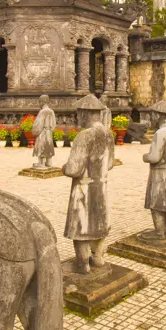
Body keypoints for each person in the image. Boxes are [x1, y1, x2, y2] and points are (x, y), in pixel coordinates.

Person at [63, 94, 115, 274]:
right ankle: (99, 258)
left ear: (84, 113)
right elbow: (109, 163)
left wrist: (64, 168)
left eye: (79, 114)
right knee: (99, 223)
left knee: (81, 227)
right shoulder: (108, 134)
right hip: (101, 186)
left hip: (83, 189)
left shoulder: (84, 136)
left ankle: (83, 264)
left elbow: (73, 169)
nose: (78, 118)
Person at [143, 101, 166, 239]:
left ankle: (159, 232)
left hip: (159, 173)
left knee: (157, 203)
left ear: (159, 115)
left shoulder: (160, 133)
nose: (151, 118)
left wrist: (145, 157)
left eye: (153, 114)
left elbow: (154, 157)